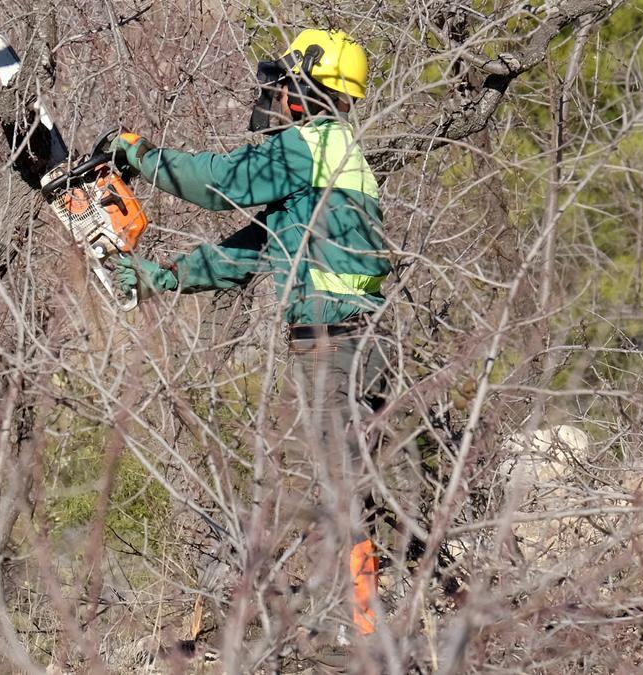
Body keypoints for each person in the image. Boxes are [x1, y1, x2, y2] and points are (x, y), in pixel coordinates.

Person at [109, 28, 390, 639]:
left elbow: (219, 183)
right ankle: (347, 620)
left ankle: (365, 634)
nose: (275, 95)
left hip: (335, 345)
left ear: (309, 92)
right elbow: (248, 252)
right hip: (344, 342)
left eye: (287, 83)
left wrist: (140, 155)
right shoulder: (321, 163)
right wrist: (161, 277)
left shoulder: (310, 146)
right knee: (335, 486)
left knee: (339, 492)